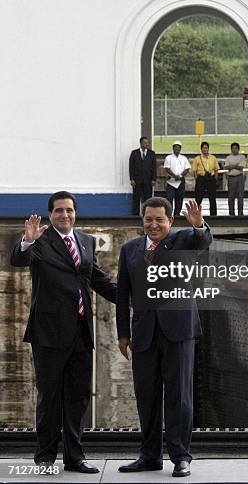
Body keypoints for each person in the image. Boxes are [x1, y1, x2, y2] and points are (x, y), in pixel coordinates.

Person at [10, 191, 116, 473]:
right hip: (49, 333)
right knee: (50, 396)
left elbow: (96, 279)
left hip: (81, 330)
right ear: (50, 214)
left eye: (69, 210)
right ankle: (45, 457)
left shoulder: (86, 241)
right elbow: (18, 260)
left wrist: (132, 297)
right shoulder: (40, 241)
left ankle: (74, 457)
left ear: (75, 213)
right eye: (59, 210)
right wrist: (28, 240)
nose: (65, 215)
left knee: (78, 396)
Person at [116, 197, 212, 478]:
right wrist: (123, 333)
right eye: (149, 219)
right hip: (144, 333)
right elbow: (123, 295)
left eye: (160, 219)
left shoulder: (182, 241)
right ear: (142, 220)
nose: (154, 224)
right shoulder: (129, 250)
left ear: (170, 221)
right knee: (146, 396)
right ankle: (149, 456)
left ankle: (181, 457)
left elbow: (203, 241)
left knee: (179, 396)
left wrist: (199, 226)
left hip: (178, 331)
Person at [129, 137, 157, 215]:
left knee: (148, 199)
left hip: (148, 181)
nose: (147, 144)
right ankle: (135, 215)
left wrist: (154, 179)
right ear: (141, 143)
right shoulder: (134, 153)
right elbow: (131, 167)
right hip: (137, 180)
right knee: (136, 199)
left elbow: (154, 167)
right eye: (145, 142)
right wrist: (132, 179)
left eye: (147, 142)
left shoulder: (152, 153)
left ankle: (147, 214)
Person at [191, 141, 220, 216]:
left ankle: (213, 215)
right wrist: (196, 179)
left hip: (211, 178)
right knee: (198, 197)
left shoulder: (213, 158)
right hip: (201, 178)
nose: (205, 149)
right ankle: (196, 214)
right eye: (203, 148)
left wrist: (215, 179)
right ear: (201, 149)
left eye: (206, 148)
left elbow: (216, 169)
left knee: (212, 198)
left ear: (208, 149)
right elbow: (194, 170)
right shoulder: (197, 158)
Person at [163, 141, 191, 216]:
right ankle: (169, 214)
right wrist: (175, 176)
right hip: (171, 181)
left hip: (180, 181)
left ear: (180, 149)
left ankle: (177, 214)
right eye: (175, 147)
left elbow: (187, 168)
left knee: (179, 198)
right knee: (169, 198)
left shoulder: (184, 158)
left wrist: (180, 176)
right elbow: (167, 168)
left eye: (178, 147)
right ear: (173, 148)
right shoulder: (168, 157)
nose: (177, 149)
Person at [224, 142, 246, 216]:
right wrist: (236, 165)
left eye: (236, 148)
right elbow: (226, 167)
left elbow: (241, 167)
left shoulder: (242, 157)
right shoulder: (228, 157)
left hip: (240, 177)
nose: (234, 150)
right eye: (233, 148)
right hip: (231, 178)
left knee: (240, 196)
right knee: (231, 197)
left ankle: (240, 213)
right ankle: (231, 213)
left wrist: (231, 166)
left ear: (238, 149)